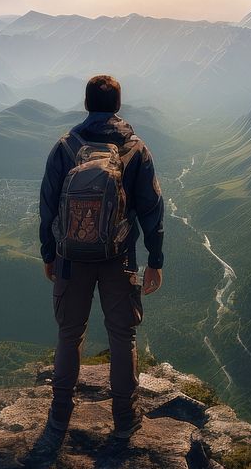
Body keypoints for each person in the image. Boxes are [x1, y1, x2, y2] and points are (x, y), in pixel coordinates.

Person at [39, 74, 164, 439]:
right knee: (122, 335)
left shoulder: (64, 147)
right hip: (118, 256)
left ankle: (60, 413)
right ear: (118, 106)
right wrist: (155, 259)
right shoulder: (136, 150)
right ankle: (125, 417)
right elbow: (151, 208)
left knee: (69, 333)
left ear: (86, 104)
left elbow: (47, 207)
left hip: (70, 258)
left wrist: (49, 252)